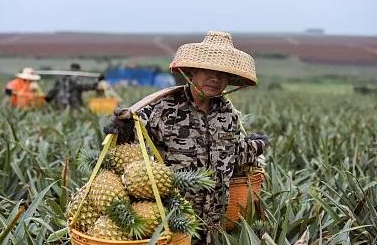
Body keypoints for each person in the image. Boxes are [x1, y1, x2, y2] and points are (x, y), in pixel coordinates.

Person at [103, 31, 269, 244]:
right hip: (173, 221)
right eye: (208, 70)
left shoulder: (228, 115)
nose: (215, 78)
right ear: (191, 72)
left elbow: (232, 157)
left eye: (222, 73)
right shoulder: (162, 109)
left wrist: (256, 146)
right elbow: (131, 152)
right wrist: (122, 129)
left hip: (215, 224)